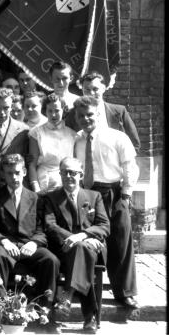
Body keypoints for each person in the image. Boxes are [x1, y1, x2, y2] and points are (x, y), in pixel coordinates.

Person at [72, 96, 139, 311]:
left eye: (90, 114)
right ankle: (86, 289)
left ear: (98, 114)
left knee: (121, 239)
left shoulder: (117, 137)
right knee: (92, 239)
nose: (86, 119)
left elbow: (130, 166)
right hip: (89, 194)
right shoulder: (77, 139)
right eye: (81, 116)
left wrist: (126, 195)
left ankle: (125, 292)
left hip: (113, 192)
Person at [0, 154, 61, 333]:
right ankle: (0, 314)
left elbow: (42, 229)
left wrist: (34, 243)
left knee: (51, 260)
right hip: (5, 245)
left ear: (25, 172)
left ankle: (45, 315)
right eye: (9, 173)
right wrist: (3, 240)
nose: (14, 177)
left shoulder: (36, 198)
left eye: (17, 172)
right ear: (3, 174)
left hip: (29, 245)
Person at [43, 157, 110, 333]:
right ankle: (91, 318)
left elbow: (104, 225)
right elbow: (50, 226)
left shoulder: (94, 196)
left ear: (81, 175)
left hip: (93, 247)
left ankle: (67, 295)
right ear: (60, 174)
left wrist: (81, 236)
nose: (68, 176)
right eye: (64, 172)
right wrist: (74, 239)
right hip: (64, 249)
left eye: (73, 173)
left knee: (82, 250)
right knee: (82, 252)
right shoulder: (51, 198)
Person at [65, 71, 141, 151]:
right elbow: (66, 142)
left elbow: (135, 143)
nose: (91, 93)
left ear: (104, 88)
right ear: (82, 90)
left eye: (95, 89)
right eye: (87, 90)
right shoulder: (73, 114)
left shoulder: (120, 111)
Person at [28, 93, 76, 193]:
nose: (53, 115)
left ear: (64, 110)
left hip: (68, 180)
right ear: (45, 111)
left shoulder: (72, 134)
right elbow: (32, 165)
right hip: (45, 182)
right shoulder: (36, 133)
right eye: (50, 111)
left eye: (57, 110)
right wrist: (36, 189)